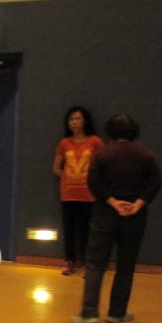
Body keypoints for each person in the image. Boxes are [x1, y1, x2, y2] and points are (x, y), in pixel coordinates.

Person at [70, 114, 162, 323]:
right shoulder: (146, 155)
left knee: (95, 264)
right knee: (126, 264)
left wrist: (113, 201)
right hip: (134, 217)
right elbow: (155, 183)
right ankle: (117, 313)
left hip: (105, 214)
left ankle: (89, 313)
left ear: (110, 131)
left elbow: (93, 182)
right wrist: (138, 203)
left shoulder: (102, 154)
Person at [52, 106, 103, 275]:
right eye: (71, 119)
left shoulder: (95, 141)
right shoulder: (64, 143)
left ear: (85, 120)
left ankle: (87, 264)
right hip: (68, 195)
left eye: (77, 118)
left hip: (88, 195)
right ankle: (69, 262)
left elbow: (102, 165)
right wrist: (68, 177)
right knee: (69, 230)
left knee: (87, 231)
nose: (74, 122)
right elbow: (56, 168)